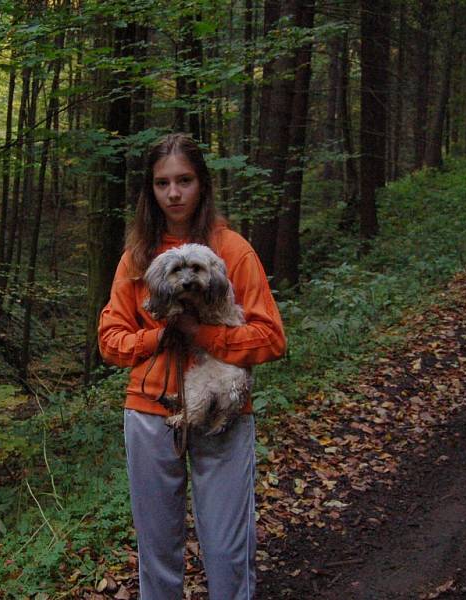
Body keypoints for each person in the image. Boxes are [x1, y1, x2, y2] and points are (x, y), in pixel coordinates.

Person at [98, 133, 286, 599]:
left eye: (184, 180)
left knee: (226, 548)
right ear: (151, 191)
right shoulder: (137, 258)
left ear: (202, 184)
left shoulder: (233, 250)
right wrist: (157, 336)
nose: (174, 193)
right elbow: (110, 340)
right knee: (158, 551)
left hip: (222, 412)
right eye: (162, 183)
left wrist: (200, 335)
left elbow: (270, 338)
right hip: (149, 413)